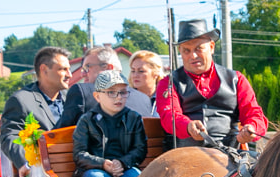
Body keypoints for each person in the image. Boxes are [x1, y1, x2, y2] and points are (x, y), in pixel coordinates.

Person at [156, 18, 267, 149]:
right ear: (180, 51)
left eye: (199, 48)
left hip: (231, 151)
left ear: (212, 47)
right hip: (185, 152)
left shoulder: (237, 79)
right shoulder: (168, 83)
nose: (193, 55)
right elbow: (170, 116)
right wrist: (188, 126)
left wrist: (252, 127)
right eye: (186, 50)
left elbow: (254, 113)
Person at [73, 70, 147, 177]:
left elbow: (140, 149)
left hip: (124, 168)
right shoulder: (87, 120)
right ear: (97, 96)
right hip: (93, 171)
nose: (118, 97)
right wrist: (103, 164)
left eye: (123, 92)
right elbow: (79, 154)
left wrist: (122, 163)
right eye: (111, 92)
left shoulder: (133, 118)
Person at [0, 46, 72, 177]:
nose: (69, 74)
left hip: (73, 175)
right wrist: (28, 164)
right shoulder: (21, 100)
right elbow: (10, 138)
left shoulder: (72, 99)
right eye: (63, 69)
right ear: (44, 69)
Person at [57, 46, 152, 128]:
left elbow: (54, 137)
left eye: (87, 68)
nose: (83, 74)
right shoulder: (143, 99)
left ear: (108, 68)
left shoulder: (82, 92)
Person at [129, 50, 165, 117]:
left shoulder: (167, 98)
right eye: (133, 71)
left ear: (156, 73)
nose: (135, 75)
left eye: (141, 71)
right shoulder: (125, 99)